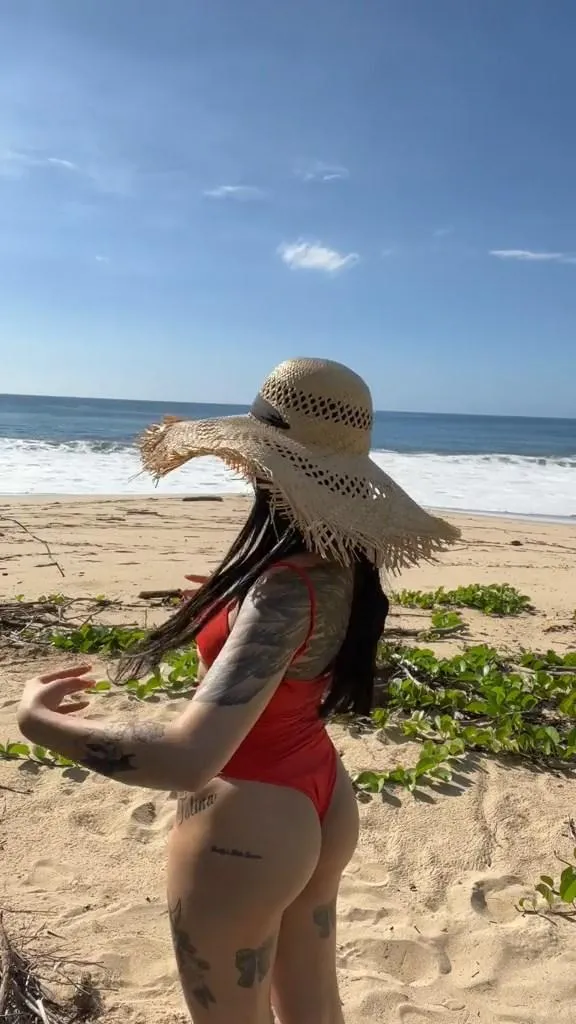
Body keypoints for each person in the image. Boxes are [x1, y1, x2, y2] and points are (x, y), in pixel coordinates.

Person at [17, 358, 460, 1024]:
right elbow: (304, 641)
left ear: (266, 461)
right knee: (317, 1011)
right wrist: (233, 608)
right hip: (320, 794)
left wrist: (39, 724)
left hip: (249, 820)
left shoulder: (281, 590)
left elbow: (188, 759)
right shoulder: (337, 563)